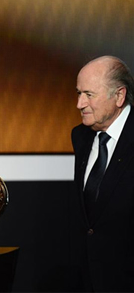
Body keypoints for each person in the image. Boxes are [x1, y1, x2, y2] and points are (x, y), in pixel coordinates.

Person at [71, 55, 134, 292]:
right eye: (78, 93)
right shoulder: (80, 136)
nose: (80, 103)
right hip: (89, 279)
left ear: (119, 96)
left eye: (89, 94)